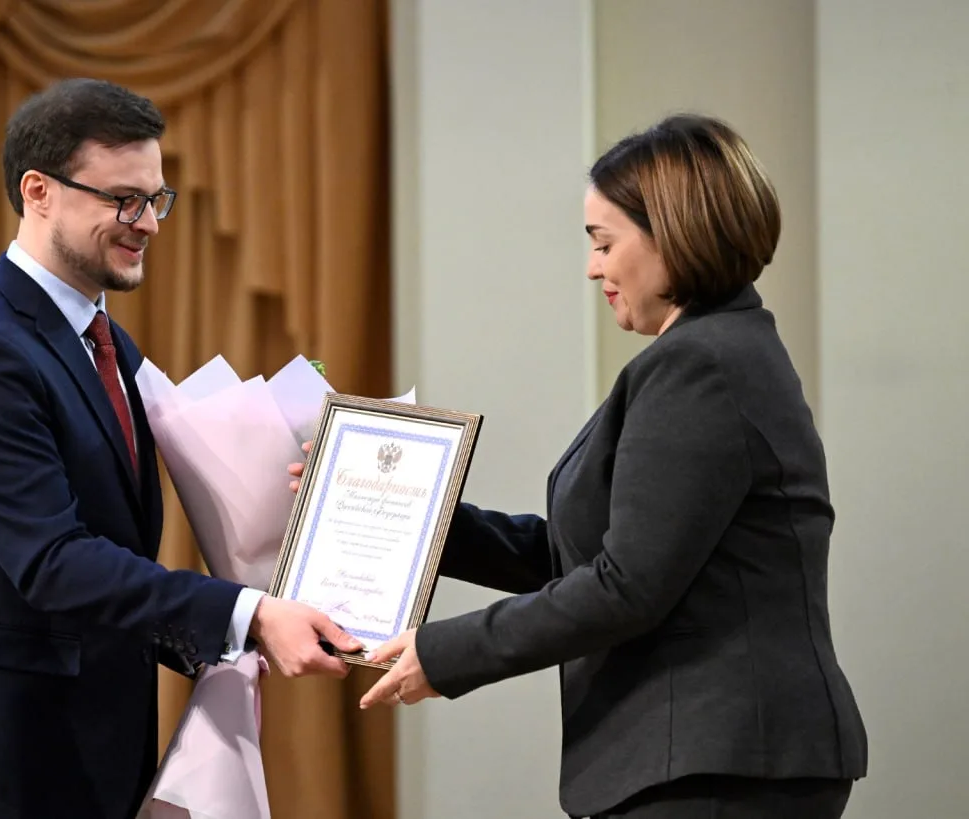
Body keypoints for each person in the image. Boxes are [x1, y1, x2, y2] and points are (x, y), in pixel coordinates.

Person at [293, 114, 868, 818]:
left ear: (673, 233)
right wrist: (399, 512)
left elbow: (626, 585)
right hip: (708, 757)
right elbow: (587, 558)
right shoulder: (716, 352)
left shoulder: (700, 364)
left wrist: (446, 654)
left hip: (717, 761)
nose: (593, 268)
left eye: (603, 243)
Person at [0, 78, 362, 819]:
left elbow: (114, 548)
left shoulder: (108, 345)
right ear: (38, 191)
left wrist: (233, 623)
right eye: (124, 200)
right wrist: (247, 614)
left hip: (82, 757)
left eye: (156, 199)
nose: (150, 224)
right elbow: (53, 562)